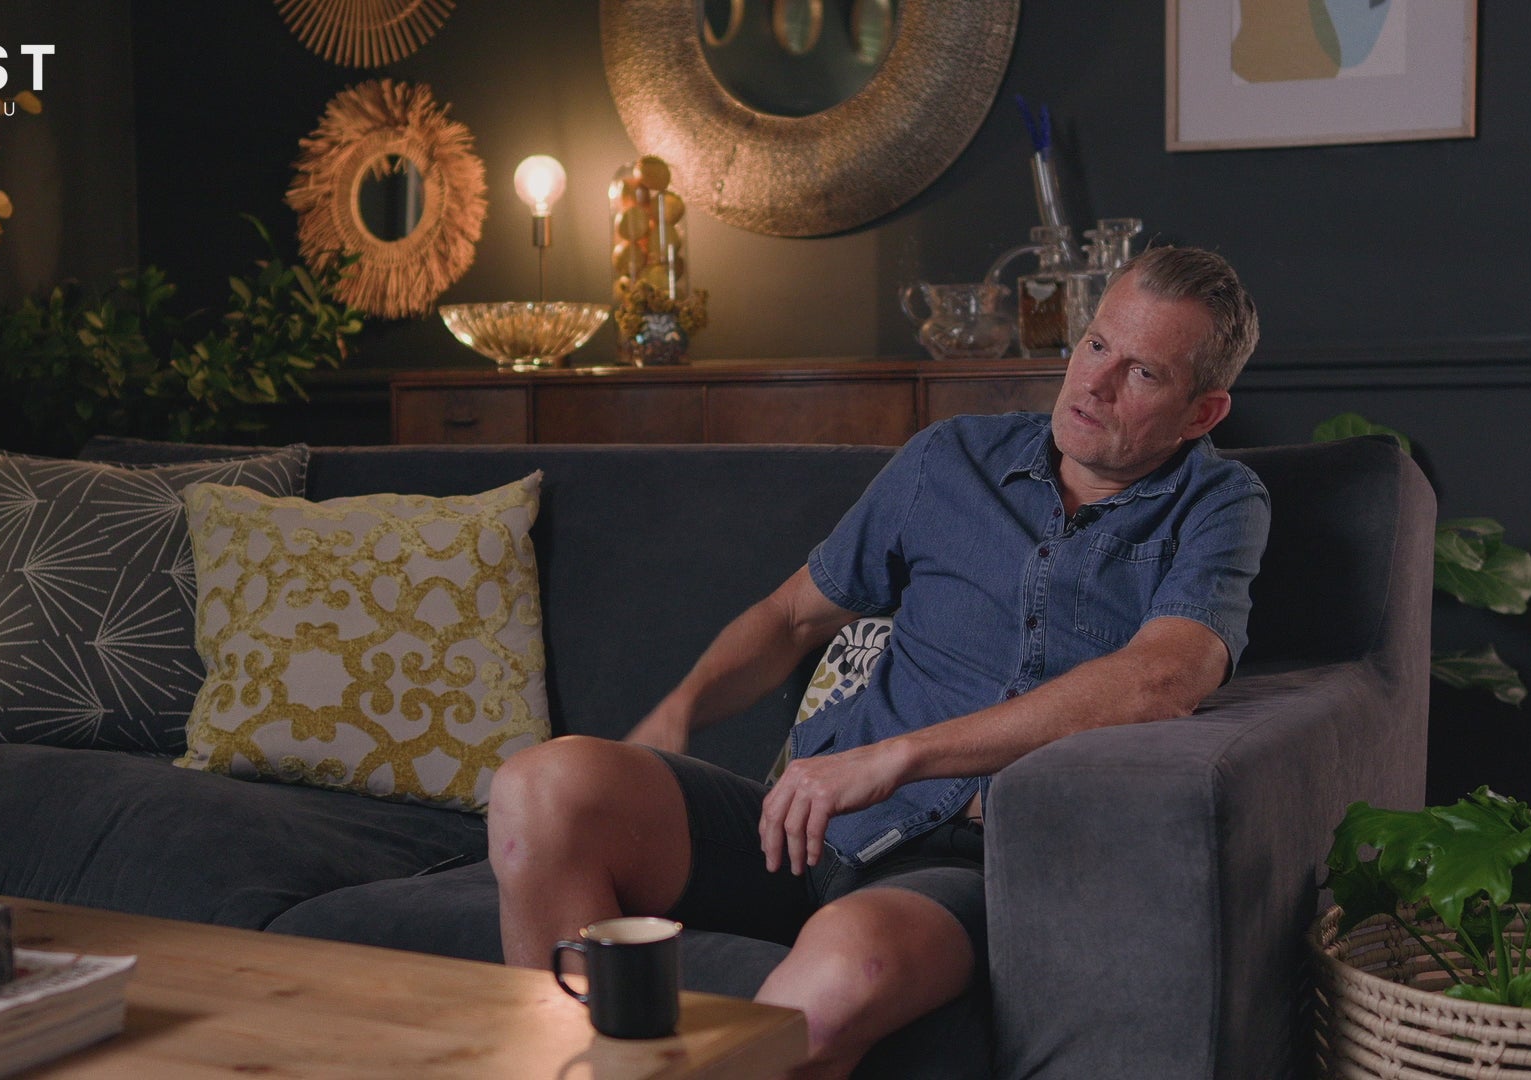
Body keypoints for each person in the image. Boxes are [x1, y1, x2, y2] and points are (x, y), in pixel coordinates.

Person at [487, 246, 1269, 1078]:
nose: (1095, 384)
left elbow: (1163, 677)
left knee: (841, 976)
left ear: (1202, 412)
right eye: (1096, 344)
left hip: (965, 858)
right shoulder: (949, 459)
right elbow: (790, 616)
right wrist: (680, 710)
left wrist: (901, 757)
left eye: (1142, 372)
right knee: (543, 785)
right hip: (809, 821)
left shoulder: (1220, 506)